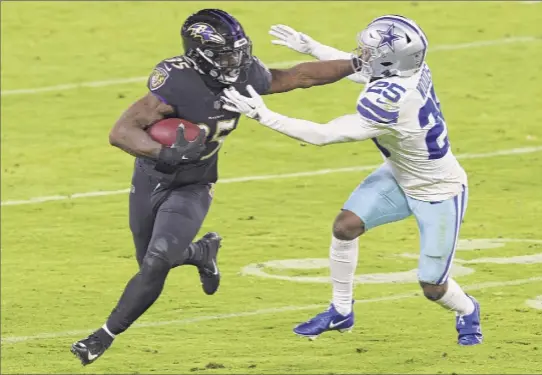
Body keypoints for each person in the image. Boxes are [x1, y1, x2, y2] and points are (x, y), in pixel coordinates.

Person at [71, 8, 360, 366]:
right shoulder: (176, 81)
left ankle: (102, 336)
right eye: (225, 55)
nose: (234, 62)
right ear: (199, 54)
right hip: (151, 178)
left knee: (157, 262)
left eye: (238, 53)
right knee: (150, 259)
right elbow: (121, 132)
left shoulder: (244, 74)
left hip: (194, 184)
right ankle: (201, 253)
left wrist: (356, 64)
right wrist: (165, 152)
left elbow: (299, 76)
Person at [221, 15, 483, 346]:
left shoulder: (393, 101)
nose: (362, 53)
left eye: (371, 51)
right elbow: (363, 68)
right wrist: (312, 46)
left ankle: (468, 308)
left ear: (391, 60)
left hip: (438, 191)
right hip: (401, 175)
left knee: (433, 287)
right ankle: (341, 310)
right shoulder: (409, 72)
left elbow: (323, 134)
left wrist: (264, 115)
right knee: (345, 227)